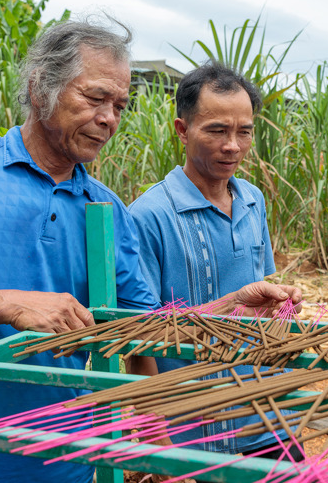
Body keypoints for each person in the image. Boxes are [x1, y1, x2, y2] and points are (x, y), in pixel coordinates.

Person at [0, 21, 292, 483]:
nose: (109, 117)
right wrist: (5, 304)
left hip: (68, 466)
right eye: (94, 98)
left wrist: (226, 307)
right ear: (39, 87)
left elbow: (142, 333)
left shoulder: (105, 209)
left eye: (120, 106)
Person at [128, 62, 304, 464]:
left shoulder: (252, 200)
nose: (233, 146)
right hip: (196, 432)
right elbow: (138, 339)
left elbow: (260, 298)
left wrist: (280, 301)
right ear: (182, 130)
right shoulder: (148, 216)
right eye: (217, 131)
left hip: (268, 413)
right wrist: (154, 437)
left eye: (244, 131)